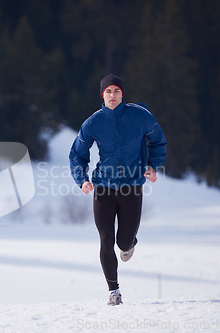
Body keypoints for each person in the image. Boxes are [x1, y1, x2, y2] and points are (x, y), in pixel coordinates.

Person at [69, 74, 167, 306]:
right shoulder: (93, 123)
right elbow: (78, 154)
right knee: (105, 240)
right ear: (102, 95)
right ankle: (114, 291)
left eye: (116, 91)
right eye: (108, 91)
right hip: (103, 187)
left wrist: (153, 166)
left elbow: (158, 142)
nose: (112, 96)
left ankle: (130, 244)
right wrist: (82, 179)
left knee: (123, 242)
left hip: (132, 187)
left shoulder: (141, 117)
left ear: (123, 94)